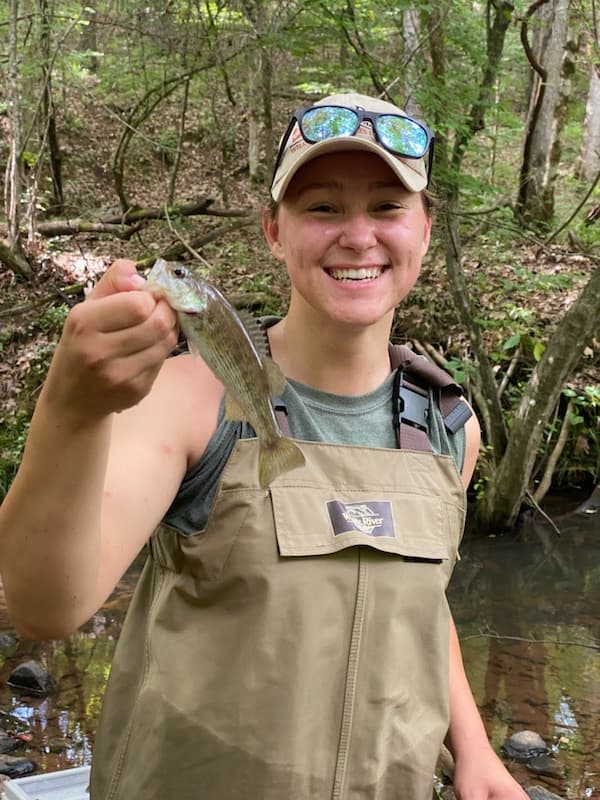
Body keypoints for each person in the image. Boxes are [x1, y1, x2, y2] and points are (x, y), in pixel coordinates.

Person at [0, 93, 528, 800]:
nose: (358, 236)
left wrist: (473, 748)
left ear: (425, 231)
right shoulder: (186, 399)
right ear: (274, 231)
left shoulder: (447, 425)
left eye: (386, 207)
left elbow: (424, 605)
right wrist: (72, 408)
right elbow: (45, 607)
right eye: (323, 209)